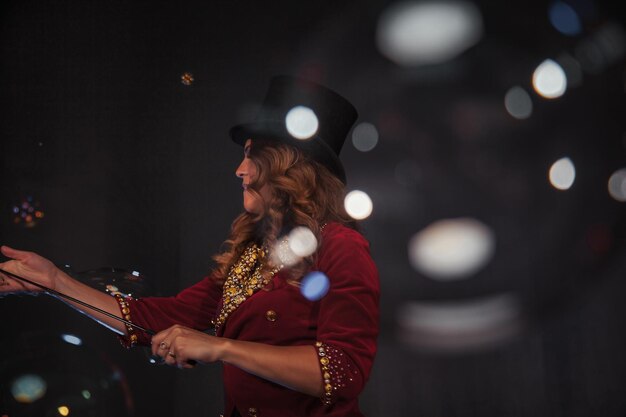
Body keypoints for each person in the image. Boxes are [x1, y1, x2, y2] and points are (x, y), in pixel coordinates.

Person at [0, 76, 379, 417]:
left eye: (251, 154)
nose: (239, 170)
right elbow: (153, 320)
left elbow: (342, 371)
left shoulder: (341, 246)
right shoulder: (252, 256)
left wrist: (222, 347)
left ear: (288, 164)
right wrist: (53, 281)